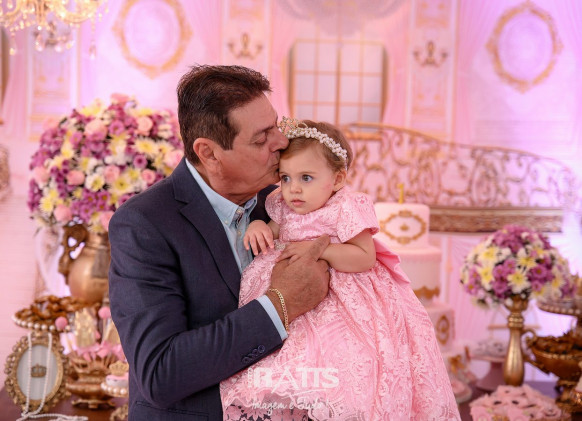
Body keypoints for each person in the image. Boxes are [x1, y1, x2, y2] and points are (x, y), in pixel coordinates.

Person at [108, 65, 331, 421]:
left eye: (277, 126)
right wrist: (281, 304)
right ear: (209, 153)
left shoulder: (286, 201)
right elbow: (160, 372)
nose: (281, 142)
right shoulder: (144, 224)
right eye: (261, 138)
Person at [220, 118, 461, 420]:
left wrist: (321, 250)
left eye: (306, 178)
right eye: (286, 178)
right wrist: (259, 226)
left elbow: (364, 256)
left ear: (337, 179)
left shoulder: (346, 206)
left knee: (344, 360)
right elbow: (274, 229)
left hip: (343, 294)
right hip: (290, 294)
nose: (294, 189)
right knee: (288, 361)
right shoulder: (284, 206)